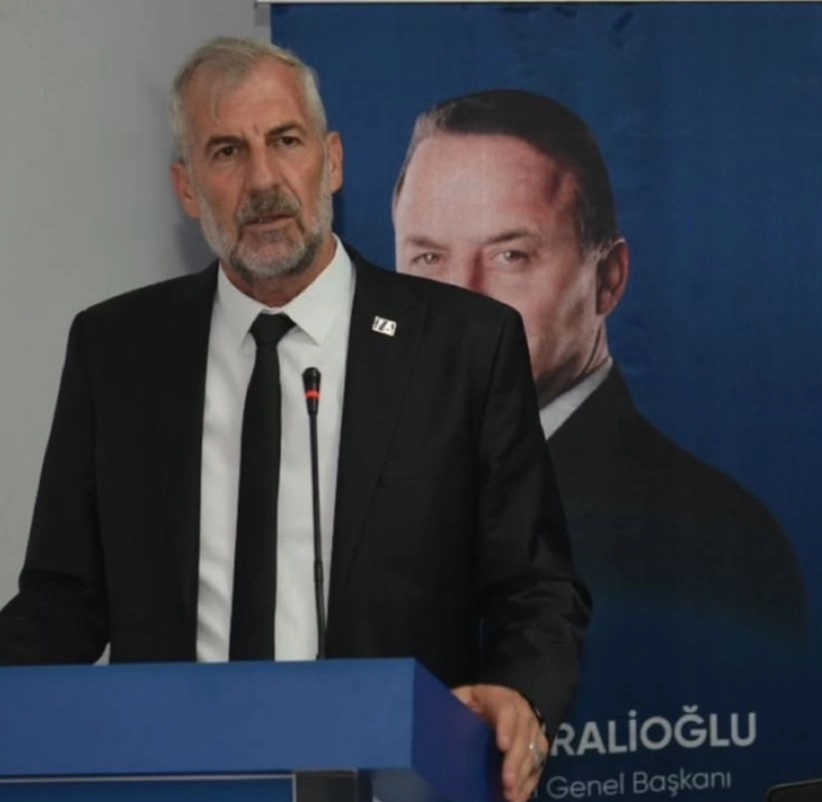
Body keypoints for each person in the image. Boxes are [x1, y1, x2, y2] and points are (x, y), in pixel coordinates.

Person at [0, 39, 588, 802]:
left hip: (387, 782)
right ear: (187, 189)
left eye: (285, 141)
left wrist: (521, 695)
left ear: (331, 161)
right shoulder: (116, 350)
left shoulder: (462, 346)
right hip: (176, 782)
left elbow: (535, 587)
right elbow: (63, 599)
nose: (262, 181)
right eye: (225, 152)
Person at [391, 90, 806, 678]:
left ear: (608, 279)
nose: (464, 299)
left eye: (511, 256)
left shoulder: (716, 540)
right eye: (429, 259)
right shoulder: (367, 499)